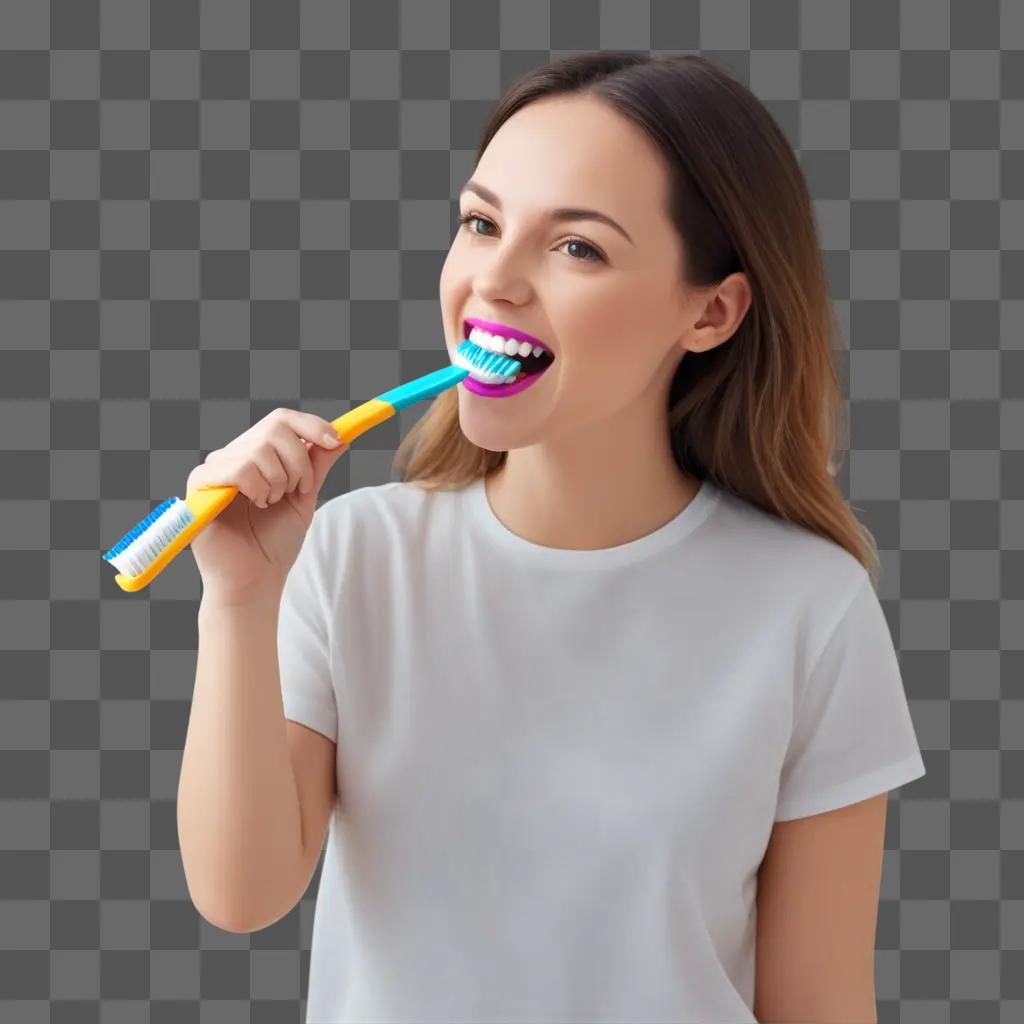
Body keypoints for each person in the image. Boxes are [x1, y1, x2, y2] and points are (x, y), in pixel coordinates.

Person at [178, 52, 926, 1024]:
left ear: (711, 311)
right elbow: (241, 897)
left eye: (575, 248)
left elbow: (819, 1001)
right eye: (481, 224)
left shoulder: (810, 607)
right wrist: (239, 599)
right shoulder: (353, 555)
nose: (493, 280)